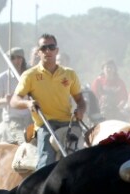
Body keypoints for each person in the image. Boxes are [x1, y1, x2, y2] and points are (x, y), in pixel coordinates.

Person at [11, 34, 86, 169]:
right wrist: (28, 104)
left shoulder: (69, 74)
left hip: (69, 123)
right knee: (46, 164)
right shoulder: (30, 75)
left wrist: (81, 110)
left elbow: (80, 99)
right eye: (43, 48)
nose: (48, 51)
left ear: (56, 51)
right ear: (39, 52)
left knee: (84, 160)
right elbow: (14, 101)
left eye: (51, 47)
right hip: (45, 125)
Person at [0, 46, 32, 144]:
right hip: (13, 119)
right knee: (23, 142)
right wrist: (5, 100)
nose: (16, 61)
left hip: (30, 118)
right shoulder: (3, 78)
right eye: (13, 58)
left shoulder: (29, 76)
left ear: (23, 59)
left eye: (19, 57)